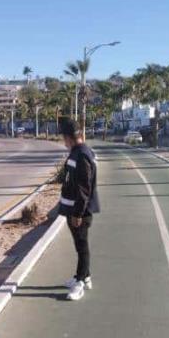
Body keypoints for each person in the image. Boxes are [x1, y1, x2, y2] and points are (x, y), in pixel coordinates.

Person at [57, 117, 99, 301]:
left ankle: (80, 282)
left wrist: (77, 213)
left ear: (69, 137)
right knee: (79, 244)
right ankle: (84, 276)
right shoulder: (78, 151)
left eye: (64, 138)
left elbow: (84, 188)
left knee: (82, 247)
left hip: (79, 211)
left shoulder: (81, 154)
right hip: (73, 209)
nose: (64, 142)